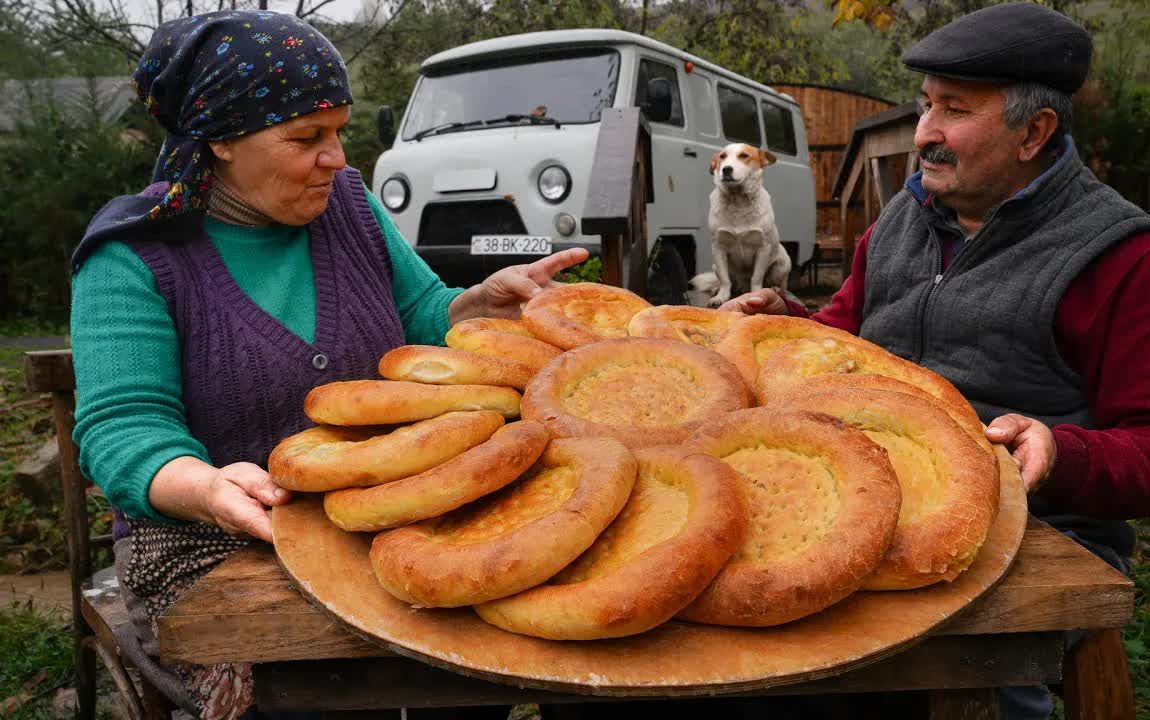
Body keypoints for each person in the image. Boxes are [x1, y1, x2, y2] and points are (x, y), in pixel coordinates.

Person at [70, 11, 587, 719]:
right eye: (307, 137)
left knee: (481, 653)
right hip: (209, 544)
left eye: (340, 130)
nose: (339, 158)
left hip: (380, 519)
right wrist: (208, 487)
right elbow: (123, 429)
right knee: (318, 694)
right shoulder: (132, 256)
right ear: (220, 139)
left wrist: (476, 306)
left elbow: (420, 321)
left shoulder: (348, 206)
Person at [724, 3, 1150, 717]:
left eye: (954, 110)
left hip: (1036, 535)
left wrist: (1061, 452)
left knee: (959, 680)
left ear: (1034, 133)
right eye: (927, 106)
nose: (926, 133)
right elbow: (849, 332)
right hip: (865, 502)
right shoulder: (904, 214)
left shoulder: (1118, 256)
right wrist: (788, 326)